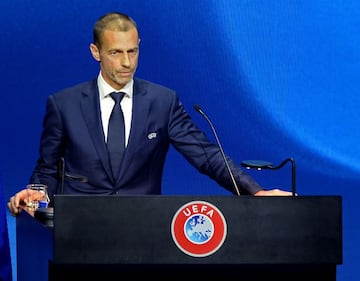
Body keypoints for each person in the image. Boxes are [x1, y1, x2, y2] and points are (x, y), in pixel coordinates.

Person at [7, 11, 292, 216]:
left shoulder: (162, 101)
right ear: (96, 52)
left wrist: (255, 192)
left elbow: (206, 156)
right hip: (79, 229)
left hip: (142, 230)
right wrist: (39, 194)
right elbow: (47, 168)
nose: (127, 62)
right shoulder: (63, 104)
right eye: (116, 53)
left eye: (132, 51)